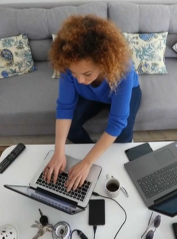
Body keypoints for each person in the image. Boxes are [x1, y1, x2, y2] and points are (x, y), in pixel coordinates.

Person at [44, 15, 141, 192]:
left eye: (87, 74)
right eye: (75, 74)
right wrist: (58, 152)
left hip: (123, 92)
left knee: (124, 134)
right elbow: (65, 108)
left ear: (104, 63)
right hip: (91, 96)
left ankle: (96, 157)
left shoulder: (123, 69)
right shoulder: (69, 67)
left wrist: (87, 162)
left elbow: (117, 122)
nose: (79, 80)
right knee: (72, 128)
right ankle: (92, 150)